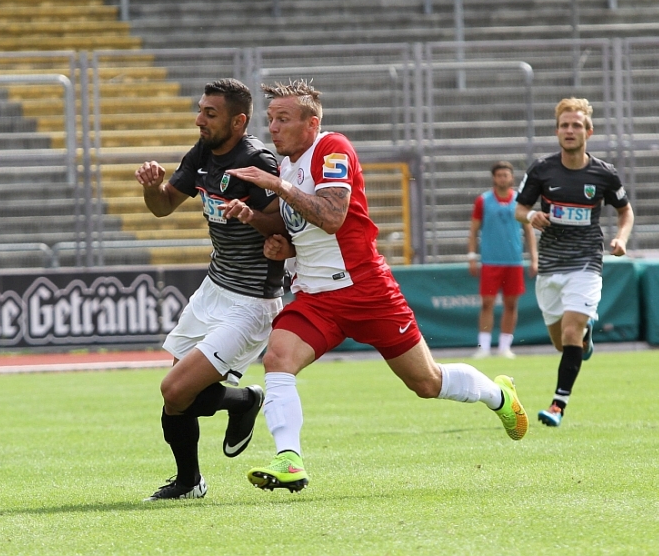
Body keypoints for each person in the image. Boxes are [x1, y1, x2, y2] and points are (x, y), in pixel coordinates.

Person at [224, 80, 527, 493]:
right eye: (271, 119)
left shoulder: (332, 148)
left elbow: (332, 216)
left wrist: (277, 187)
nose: (273, 128)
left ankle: (498, 395)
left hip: (366, 289)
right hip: (316, 297)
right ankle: (289, 459)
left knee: (426, 383)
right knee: (277, 359)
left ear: (312, 124)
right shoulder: (288, 167)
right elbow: (298, 226)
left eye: (283, 119)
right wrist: (260, 224)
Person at [135, 78, 286, 500]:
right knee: (178, 398)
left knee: (176, 390)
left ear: (238, 121)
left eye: (210, 113)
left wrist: (252, 217)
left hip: (251, 300)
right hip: (213, 288)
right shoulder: (203, 152)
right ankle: (189, 483)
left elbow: (285, 224)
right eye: (200, 110)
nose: (199, 119)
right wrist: (152, 187)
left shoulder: (257, 161)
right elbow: (164, 206)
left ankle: (244, 401)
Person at [515, 97, 634, 428]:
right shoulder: (541, 169)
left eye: (576, 125)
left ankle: (558, 405)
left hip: (586, 263)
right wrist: (531, 216)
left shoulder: (604, 173)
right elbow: (519, 209)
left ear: (588, 132)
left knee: (570, 332)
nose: (570, 130)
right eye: (564, 125)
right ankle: (585, 336)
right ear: (557, 131)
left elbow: (625, 211)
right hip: (550, 266)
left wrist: (621, 239)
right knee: (562, 342)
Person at [467, 161, 538, 359]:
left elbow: (529, 231)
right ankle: (484, 347)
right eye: (499, 175)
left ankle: (505, 346)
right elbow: (473, 230)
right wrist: (472, 256)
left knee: (511, 304)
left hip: (513, 261)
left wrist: (534, 258)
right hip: (490, 261)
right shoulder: (483, 201)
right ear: (494, 178)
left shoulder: (519, 201)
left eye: (505, 175)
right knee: (487, 303)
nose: (502, 179)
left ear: (511, 177)